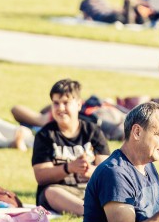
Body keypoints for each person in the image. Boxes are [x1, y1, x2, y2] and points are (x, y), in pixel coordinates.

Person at [30, 79, 110, 215]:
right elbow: (41, 176)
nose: (60, 108)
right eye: (56, 103)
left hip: (89, 189)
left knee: (112, 188)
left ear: (79, 104)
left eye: (66, 103)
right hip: (62, 191)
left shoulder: (92, 131)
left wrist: (90, 171)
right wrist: (69, 168)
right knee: (51, 192)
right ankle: (90, 212)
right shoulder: (45, 135)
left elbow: (108, 171)